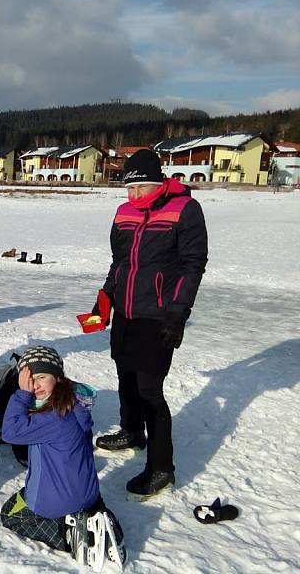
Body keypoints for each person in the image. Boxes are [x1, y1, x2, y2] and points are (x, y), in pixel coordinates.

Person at [92, 149, 208, 498]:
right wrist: (104, 300)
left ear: (157, 183)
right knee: (124, 373)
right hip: (126, 312)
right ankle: (131, 431)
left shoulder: (185, 209)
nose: (133, 196)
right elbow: (120, 263)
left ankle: (161, 468)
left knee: (149, 390)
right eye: (129, 189)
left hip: (158, 315)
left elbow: (193, 265)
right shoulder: (123, 212)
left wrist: (178, 313)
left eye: (140, 187)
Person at [0, 347, 124, 564]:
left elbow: (10, 432)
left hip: (57, 503)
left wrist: (22, 394)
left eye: (41, 377)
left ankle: (70, 534)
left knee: (11, 513)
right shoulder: (73, 403)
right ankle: (96, 514)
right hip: (90, 496)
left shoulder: (51, 418)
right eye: (30, 380)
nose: (35, 385)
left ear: (57, 378)